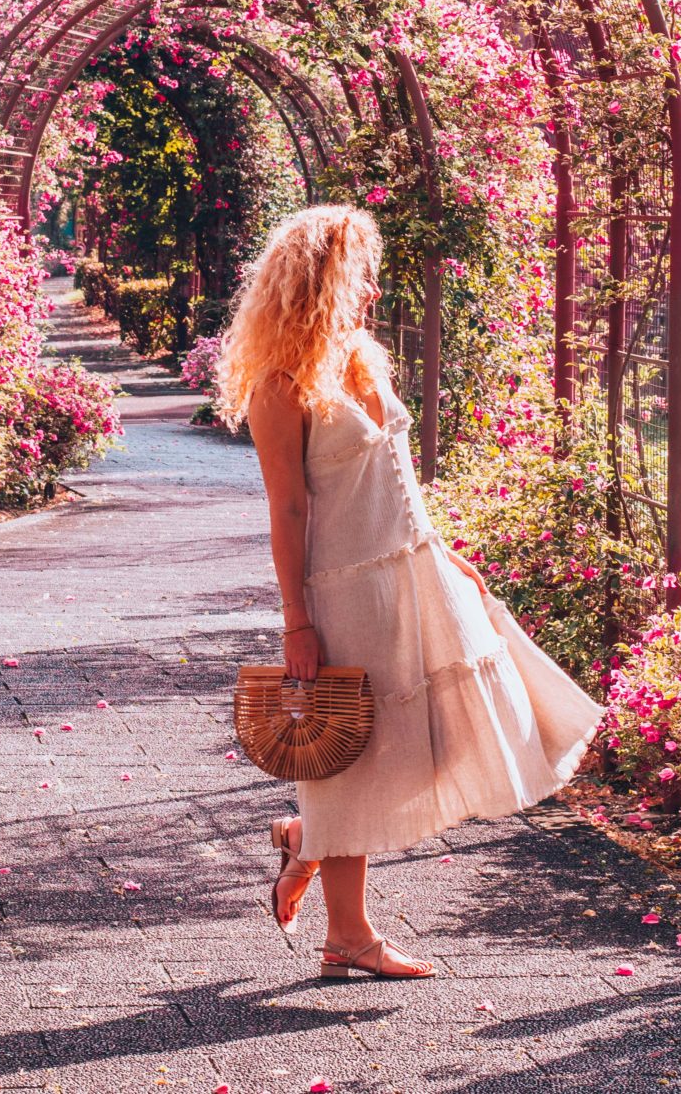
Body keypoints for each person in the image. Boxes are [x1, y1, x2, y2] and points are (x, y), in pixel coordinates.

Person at [215, 204, 603, 982]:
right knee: (354, 760)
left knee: (451, 729)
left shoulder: (361, 358)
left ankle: (306, 837)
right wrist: (297, 622)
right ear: (318, 281)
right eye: (358, 272)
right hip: (345, 589)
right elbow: (287, 511)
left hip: (415, 571)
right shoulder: (278, 387)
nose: (370, 288)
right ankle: (348, 936)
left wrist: (449, 556)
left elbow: (401, 482)